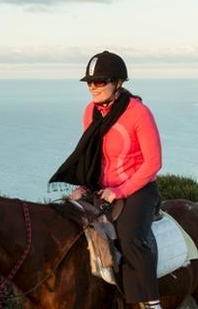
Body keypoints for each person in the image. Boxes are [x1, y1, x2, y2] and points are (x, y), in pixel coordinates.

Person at [50, 51, 163, 309]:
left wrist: (121, 190)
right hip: (101, 189)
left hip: (138, 188)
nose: (92, 87)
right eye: (89, 82)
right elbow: (93, 157)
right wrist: (85, 186)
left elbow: (153, 163)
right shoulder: (90, 112)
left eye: (100, 81)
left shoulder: (138, 113)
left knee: (130, 236)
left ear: (118, 83)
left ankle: (152, 302)